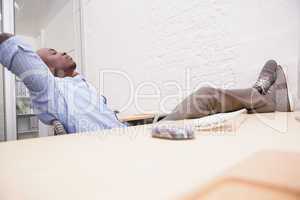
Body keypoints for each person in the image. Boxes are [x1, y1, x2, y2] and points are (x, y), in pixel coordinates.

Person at [0, 33, 293, 134]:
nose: (62, 51)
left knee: (212, 109)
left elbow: (97, 106)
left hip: (130, 133)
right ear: (45, 69)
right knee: (204, 97)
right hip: (125, 148)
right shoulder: (50, 90)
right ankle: (260, 93)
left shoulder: (80, 86)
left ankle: (261, 96)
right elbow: (17, 54)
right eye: (53, 53)